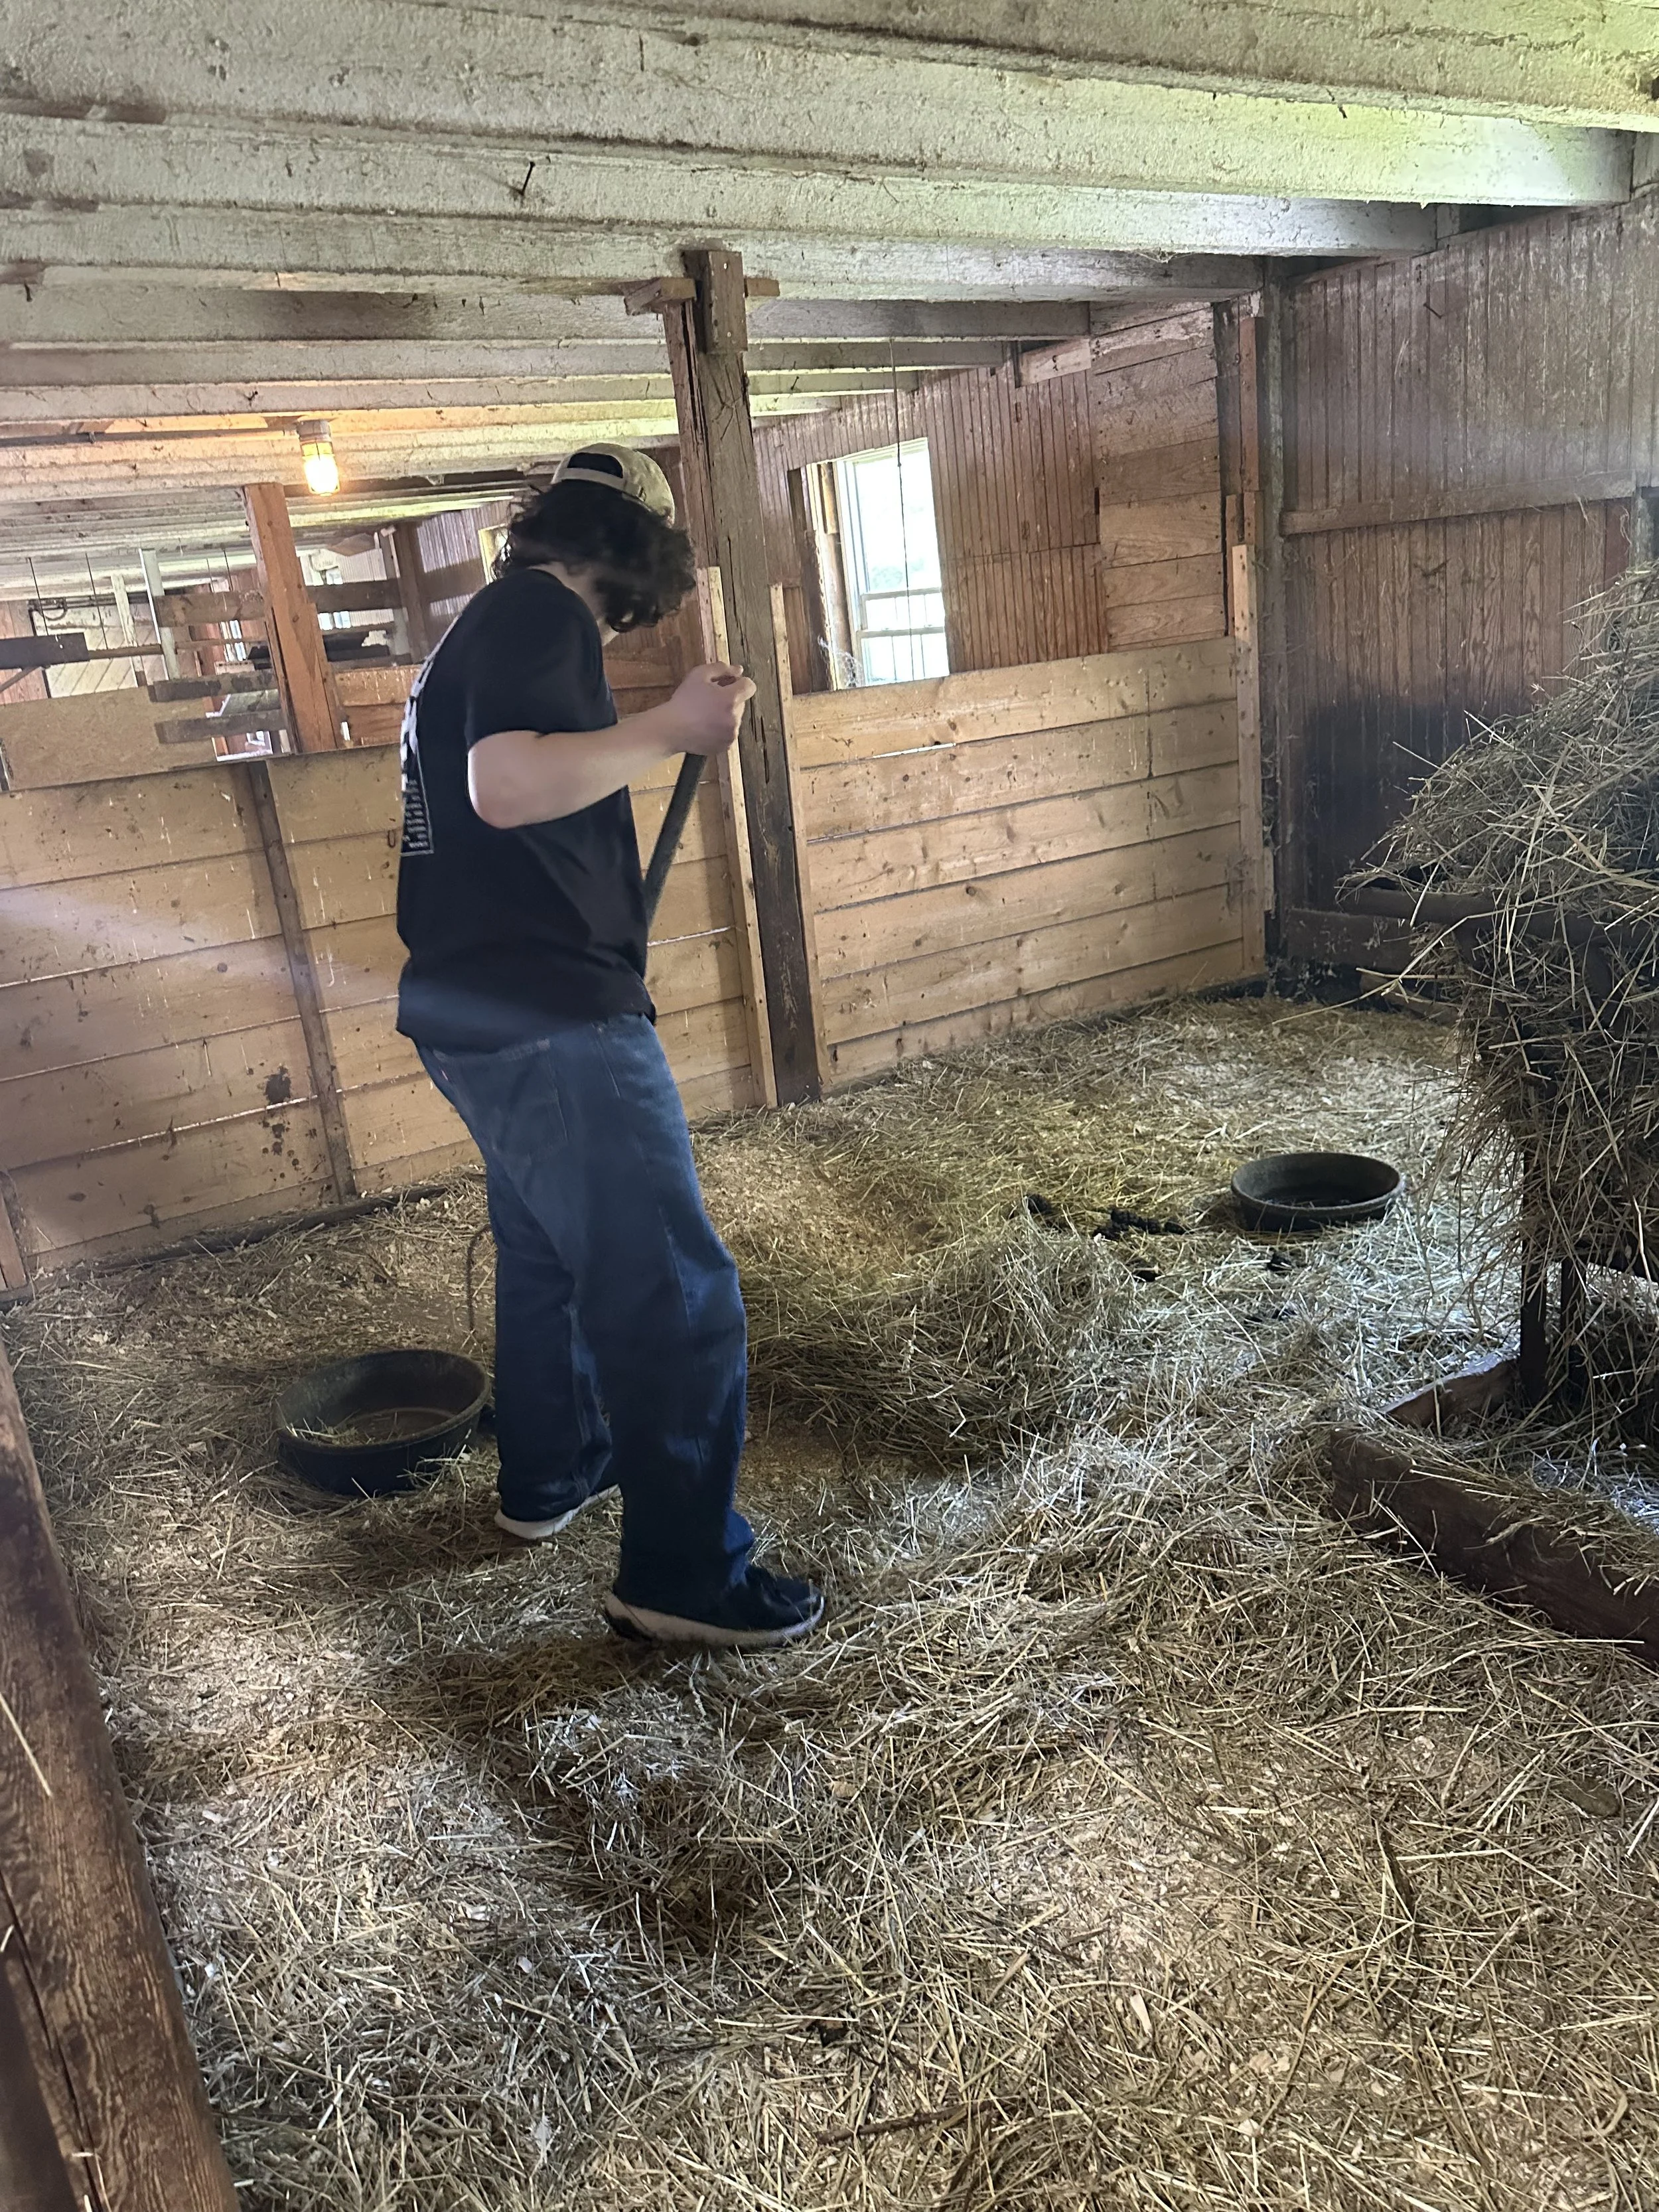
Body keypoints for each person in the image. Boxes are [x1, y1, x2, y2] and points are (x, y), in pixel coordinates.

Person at [395, 444, 823, 1649]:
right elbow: (505, 788)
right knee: (674, 1296)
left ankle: (555, 1473)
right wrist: (675, 723)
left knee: (543, 1255)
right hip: (552, 1017)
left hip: (472, 1009)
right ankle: (684, 1575)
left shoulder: (476, 626)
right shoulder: (540, 614)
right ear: (635, 548)